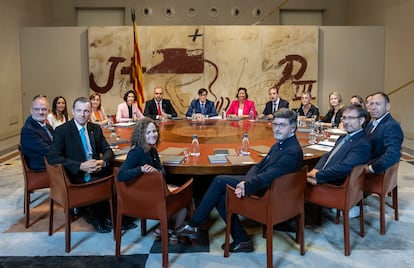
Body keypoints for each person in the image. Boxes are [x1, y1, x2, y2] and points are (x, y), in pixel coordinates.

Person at [176, 108, 304, 252]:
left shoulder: (292, 151)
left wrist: (247, 184)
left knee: (219, 182)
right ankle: (242, 240)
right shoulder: (281, 144)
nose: (277, 129)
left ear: (293, 128)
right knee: (222, 195)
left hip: (271, 196)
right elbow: (259, 166)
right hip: (264, 185)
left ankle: (194, 224)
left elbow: (269, 176)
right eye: (275, 124)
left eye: (282, 125)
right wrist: (245, 182)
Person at [48, 97, 135, 233]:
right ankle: (97, 216)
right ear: (73, 111)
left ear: (90, 112)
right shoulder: (62, 131)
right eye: (79, 111)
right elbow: (53, 157)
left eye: (86, 111)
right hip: (77, 175)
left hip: (96, 169)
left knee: (122, 174)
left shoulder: (95, 128)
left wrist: (103, 161)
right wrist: (80, 166)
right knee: (103, 182)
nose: (83, 114)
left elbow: (107, 150)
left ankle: (114, 216)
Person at [117, 118, 187, 242]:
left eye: (154, 131)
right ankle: (174, 233)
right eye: (148, 132)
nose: (152, 135)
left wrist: (157, 172)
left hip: (153, 190)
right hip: (145, 196)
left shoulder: (152, 150)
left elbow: (162, 172)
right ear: (141, 135)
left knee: (178, 194)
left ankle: (161, 229)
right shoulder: (137, 152)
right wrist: (141, 169)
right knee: (185, 199)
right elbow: (121, 175)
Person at [306, 104, 371, 186]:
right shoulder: (343, 137)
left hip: (333, 185)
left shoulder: (362, 144)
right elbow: (328, 155)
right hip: (324, 175)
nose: (346, 122)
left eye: (350, 118)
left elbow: (344, 168)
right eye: (344, 118)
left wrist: (317, 176)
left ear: (361, 120)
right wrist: (316, 169)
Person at [365, 92, 403, 175]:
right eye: (371, 104)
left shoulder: (392, 126)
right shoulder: (372, 123)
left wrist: (371, 169)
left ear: (387, 106)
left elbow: (392, 155)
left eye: (377, 104)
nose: (373, 107)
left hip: (373, 172)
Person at [20, 95, 54, 170]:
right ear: (31, 110)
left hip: (51, 163)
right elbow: (48, 151)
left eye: (44, 109)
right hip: (43, 168)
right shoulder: (28, 130)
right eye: (36, 109)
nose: (40, 112)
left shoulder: (47, 126)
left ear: (49, 111)